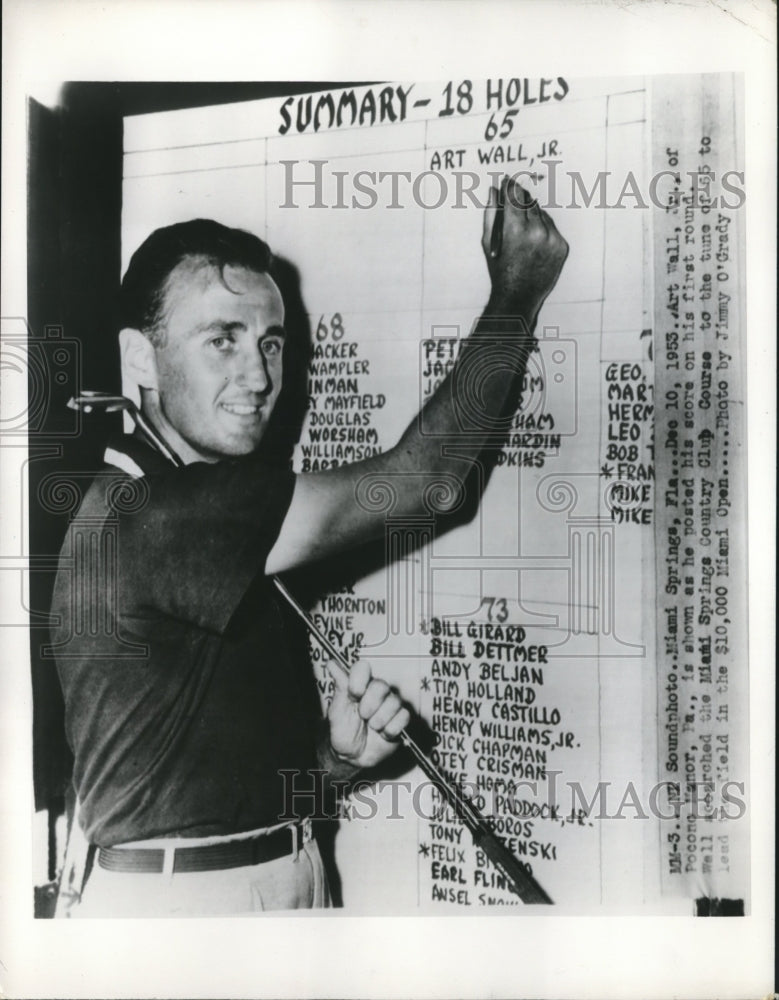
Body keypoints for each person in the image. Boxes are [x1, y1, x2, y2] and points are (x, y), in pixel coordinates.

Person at [51, 178, 567, 916]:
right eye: (221, 339)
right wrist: (516, 292)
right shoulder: (171, 510)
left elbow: (200, 792)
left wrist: (336, 760)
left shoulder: (164, 500)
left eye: (270, 342)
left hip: (247, 877)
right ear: (139, 358)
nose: (258, 375)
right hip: (199, 910)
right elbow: (427, 483)